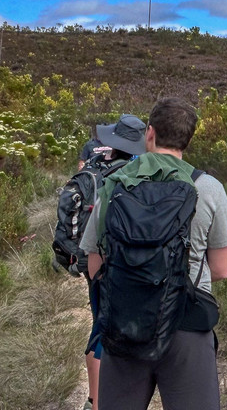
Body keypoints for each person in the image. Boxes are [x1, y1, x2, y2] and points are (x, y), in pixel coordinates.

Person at [81, 98, 227, 410]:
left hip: (125, 323)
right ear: (187, 140)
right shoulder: (208, 188)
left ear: (148, 133)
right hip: (187, 323)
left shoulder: (114, 184)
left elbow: (94, 262)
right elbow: (221, 269)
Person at [76, 114, 147, 410]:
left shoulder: (92, 158)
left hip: (94, 256)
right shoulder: (138, 169)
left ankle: (95, 400)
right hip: (127, 260)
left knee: (99, 326)